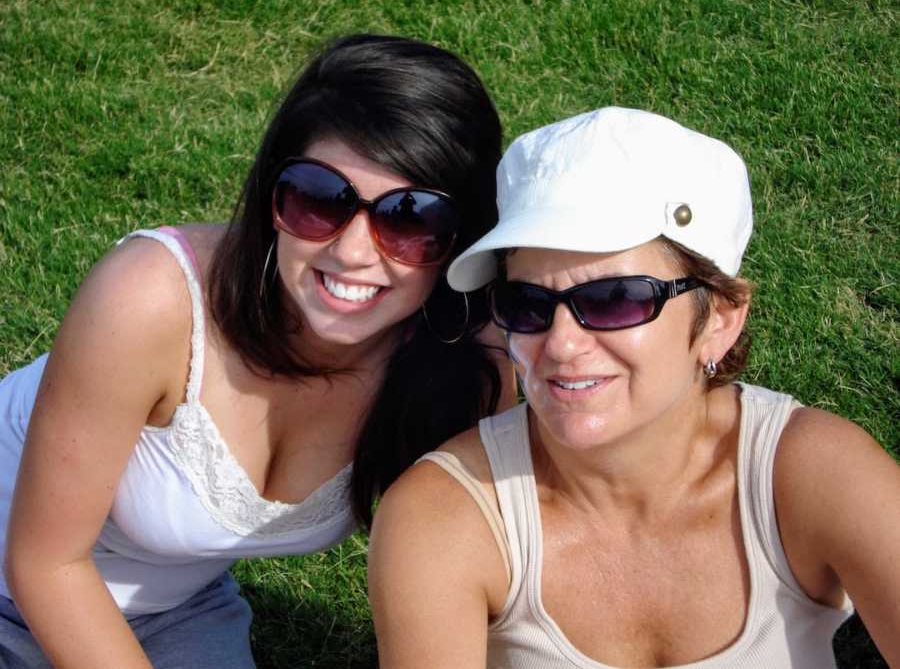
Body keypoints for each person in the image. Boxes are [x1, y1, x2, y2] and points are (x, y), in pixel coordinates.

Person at [0, 34, 513, 668]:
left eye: (410, 218)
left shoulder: (469, 362)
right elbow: (45, 563)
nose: (353, 252)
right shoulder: (149, 300)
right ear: (273, 196)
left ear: (464, 236)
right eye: (320, 198)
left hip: (178, 611)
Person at [369, 107, 900, 668]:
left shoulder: (816, 474)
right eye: (528, 304)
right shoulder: (444, 519)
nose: (561, 344)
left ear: (719, 317)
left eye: (614, 299)